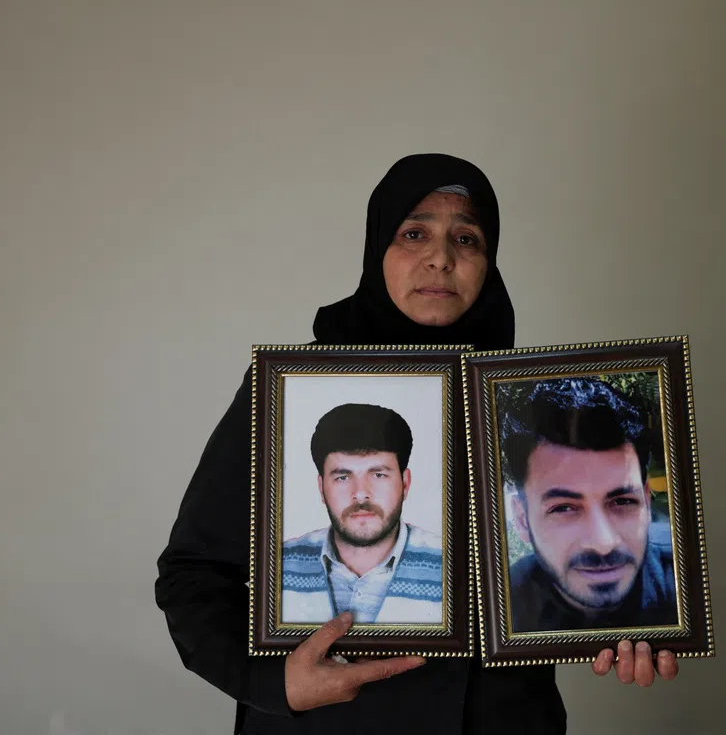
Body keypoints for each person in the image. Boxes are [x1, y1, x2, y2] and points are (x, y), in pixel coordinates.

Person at [154, 153, 678, 735]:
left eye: (467, 238)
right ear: (378, 250)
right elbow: (193, 572)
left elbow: (557, 577)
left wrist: (623, 622)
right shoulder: (291, 392)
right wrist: (272, 683)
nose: (441, 257)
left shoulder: (526, 403)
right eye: (414, 233)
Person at [500, 378, 679, 633]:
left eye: (623, 501)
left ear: (647, 500)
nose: (603, 543)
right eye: (564, 508)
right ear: (521, 519)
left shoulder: (689, 581)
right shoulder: (500, 610)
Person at [282, 402, 443, 625]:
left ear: (405, 483)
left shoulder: (453, 567)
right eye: (343, 477)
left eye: (378, 475)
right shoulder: (278, 566)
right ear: (321, 488)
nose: (360, 494)